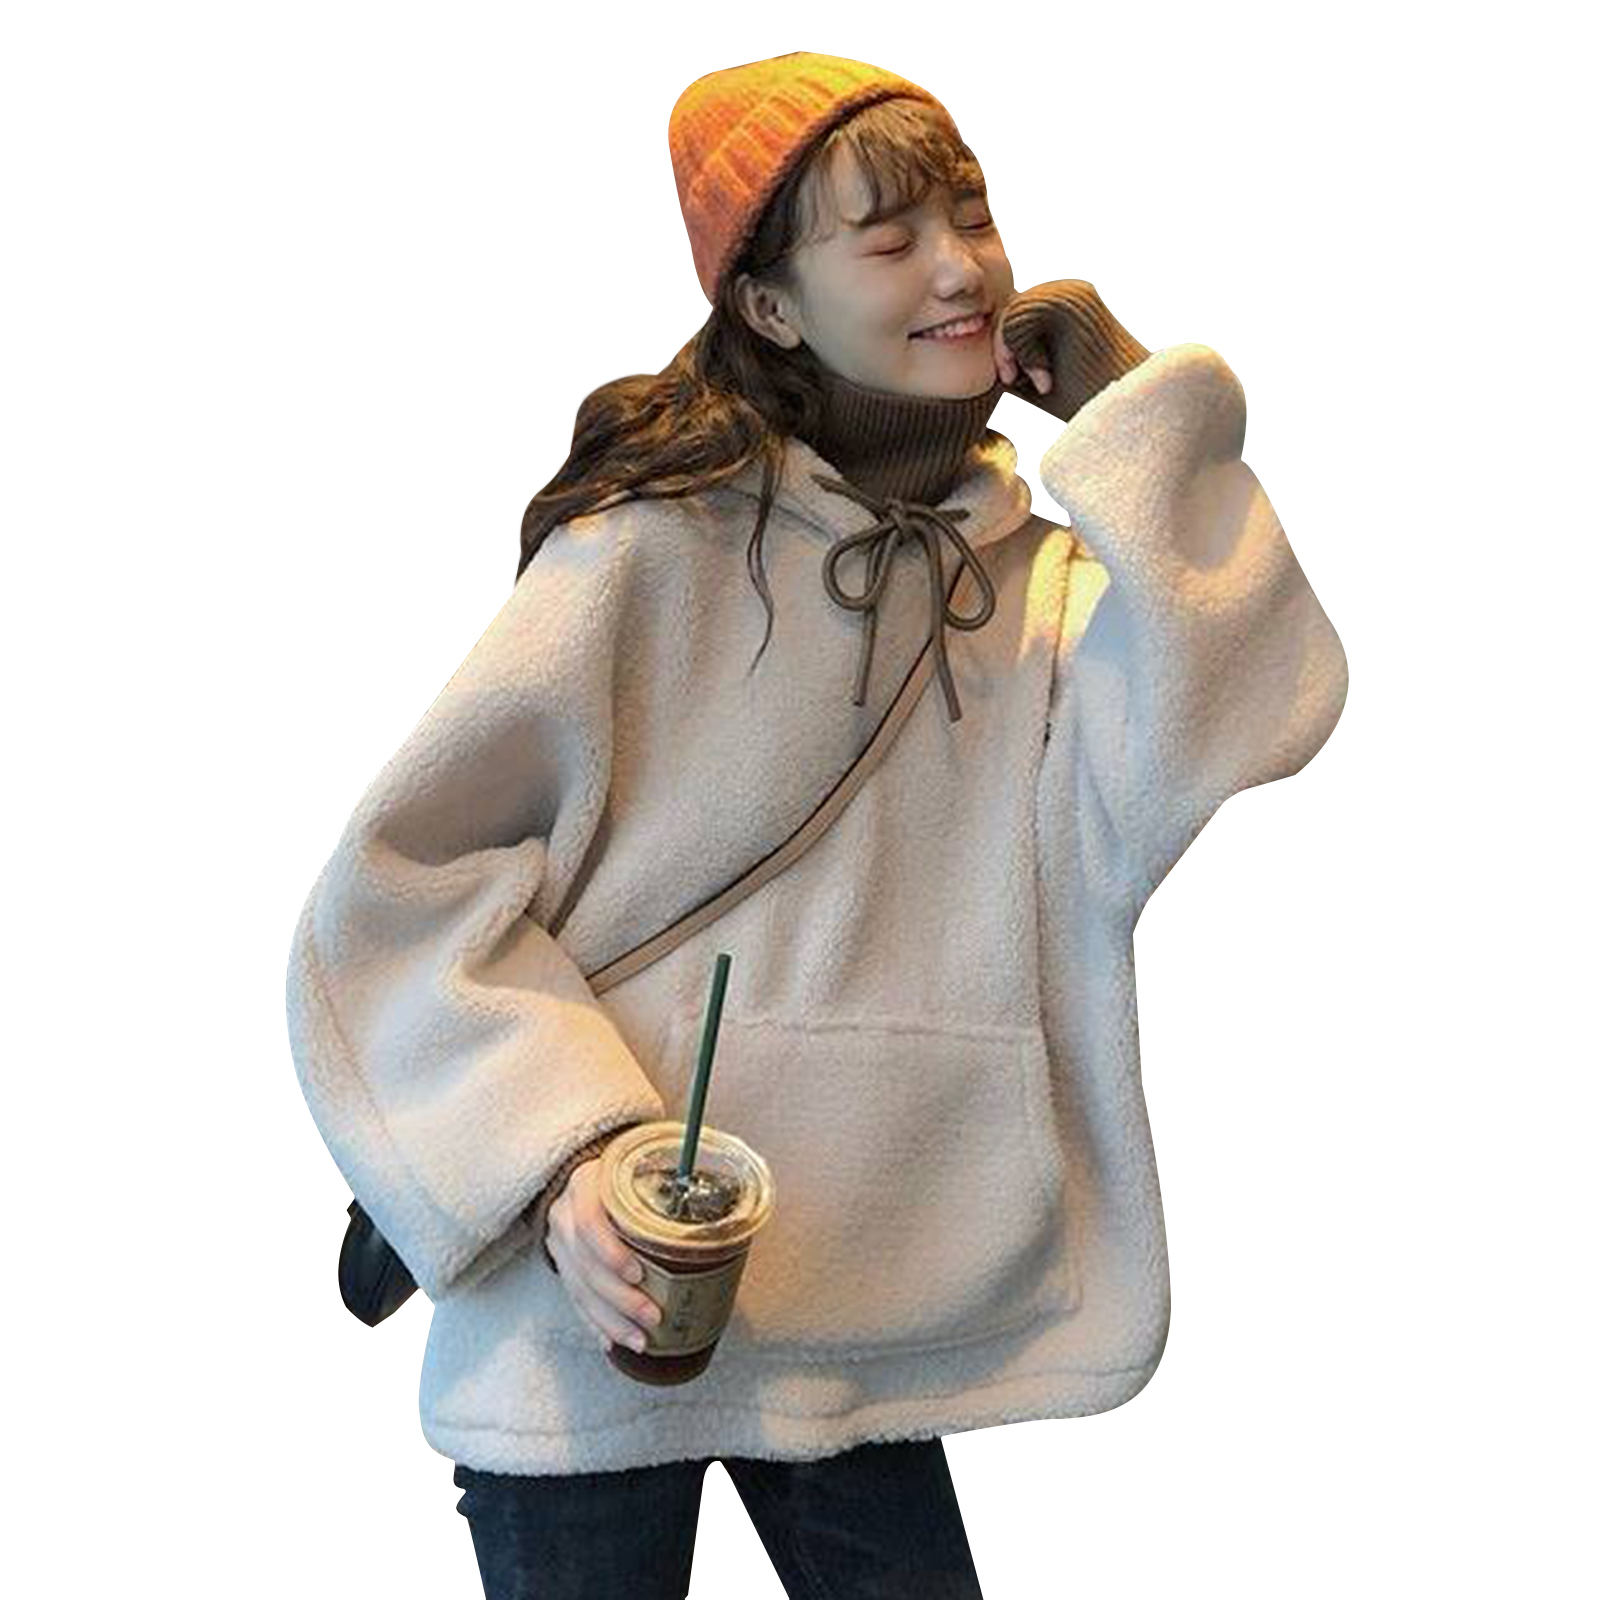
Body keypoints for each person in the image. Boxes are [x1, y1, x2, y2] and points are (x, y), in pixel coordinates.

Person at [284, 50, 1349, 1600]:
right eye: (890, 236)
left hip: (873, 1280)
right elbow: (404, 888)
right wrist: (560, 1165)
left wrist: (1140, 422)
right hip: (600, 1296)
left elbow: (1255, 702)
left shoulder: (1039, 589)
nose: (962, 267)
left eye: (970, 216)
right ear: (771, 307)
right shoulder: (648, 551)